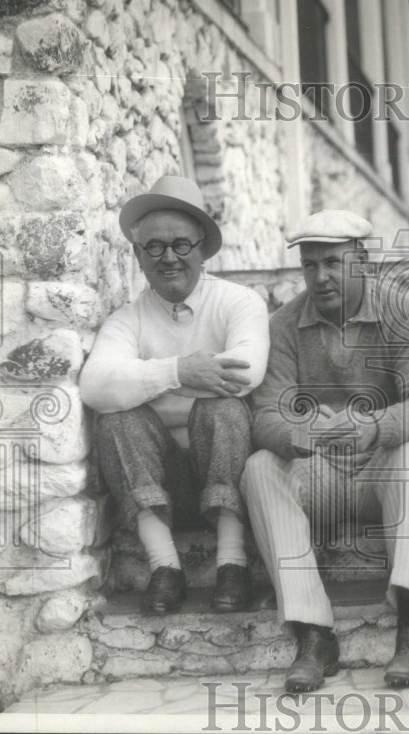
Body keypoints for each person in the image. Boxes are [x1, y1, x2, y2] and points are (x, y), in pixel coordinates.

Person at [241, 209, 409, 693]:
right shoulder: (285, 324)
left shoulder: (400, 313)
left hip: (379, 467)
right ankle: (313, 634)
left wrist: (374, 426)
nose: (320, 277)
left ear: (362, 260)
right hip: (317, 469)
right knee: (261, 467)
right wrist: (303, 435)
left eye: (333, 262)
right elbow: (267, 414)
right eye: (310, 265)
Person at [80, 176, 269, 616]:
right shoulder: (127, 320)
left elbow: (245, 374)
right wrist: (181, 370)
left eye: (182, 244)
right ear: (137, 255)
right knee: (116, 418)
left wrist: (142, 382)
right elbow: (95, 387)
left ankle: (232, 564)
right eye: (155, 247)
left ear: (203, 249)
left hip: (226, 474)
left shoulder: (240, 302)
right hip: (157, 483)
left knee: (222, 405)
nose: (169, 257)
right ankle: (165, 567)